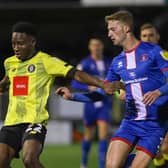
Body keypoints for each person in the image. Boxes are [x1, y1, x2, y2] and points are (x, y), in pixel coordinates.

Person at [56, 10, 168, 168]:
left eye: (113, 29)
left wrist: (158, 92)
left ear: (126, 28)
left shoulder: (153, 52)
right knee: (112, 165)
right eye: (108, 30)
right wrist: (72, 97)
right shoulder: (117, 62)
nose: (109, 34)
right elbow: (103, 92)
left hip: (154, 125)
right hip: (130, 123)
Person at [0, 22, 117, 168]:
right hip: (11, 122)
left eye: (21, 43)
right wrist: (3, 85)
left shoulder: (46, 61)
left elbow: (76, 74)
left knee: (29, 159)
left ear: (32, 42)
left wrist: (102, 84)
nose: (16, 47)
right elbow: (7, 79)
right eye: (13, 43)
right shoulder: (9, 63)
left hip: (34, 121)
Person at [71, 37, 112, 168]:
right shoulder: (85, 63)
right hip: (90, 103)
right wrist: (88, 87)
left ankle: (101, 165)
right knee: (88, 134)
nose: (96, 47)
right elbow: (74, 82)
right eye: (94, 45)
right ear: (90, 47)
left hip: (104, 103)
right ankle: (83, 162)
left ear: (102, 46)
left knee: (103, 135)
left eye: (99, 45)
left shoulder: (108, 62)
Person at [140, 23, 168, 168]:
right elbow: (123, 82)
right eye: (144, 36)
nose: (148, 39)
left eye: (151, 35)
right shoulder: (136, 62)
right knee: (156, 153)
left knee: (165, 148)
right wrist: (122, 92)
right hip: (149, 111)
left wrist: (159, 92)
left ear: (157, 37)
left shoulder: (166, 56)